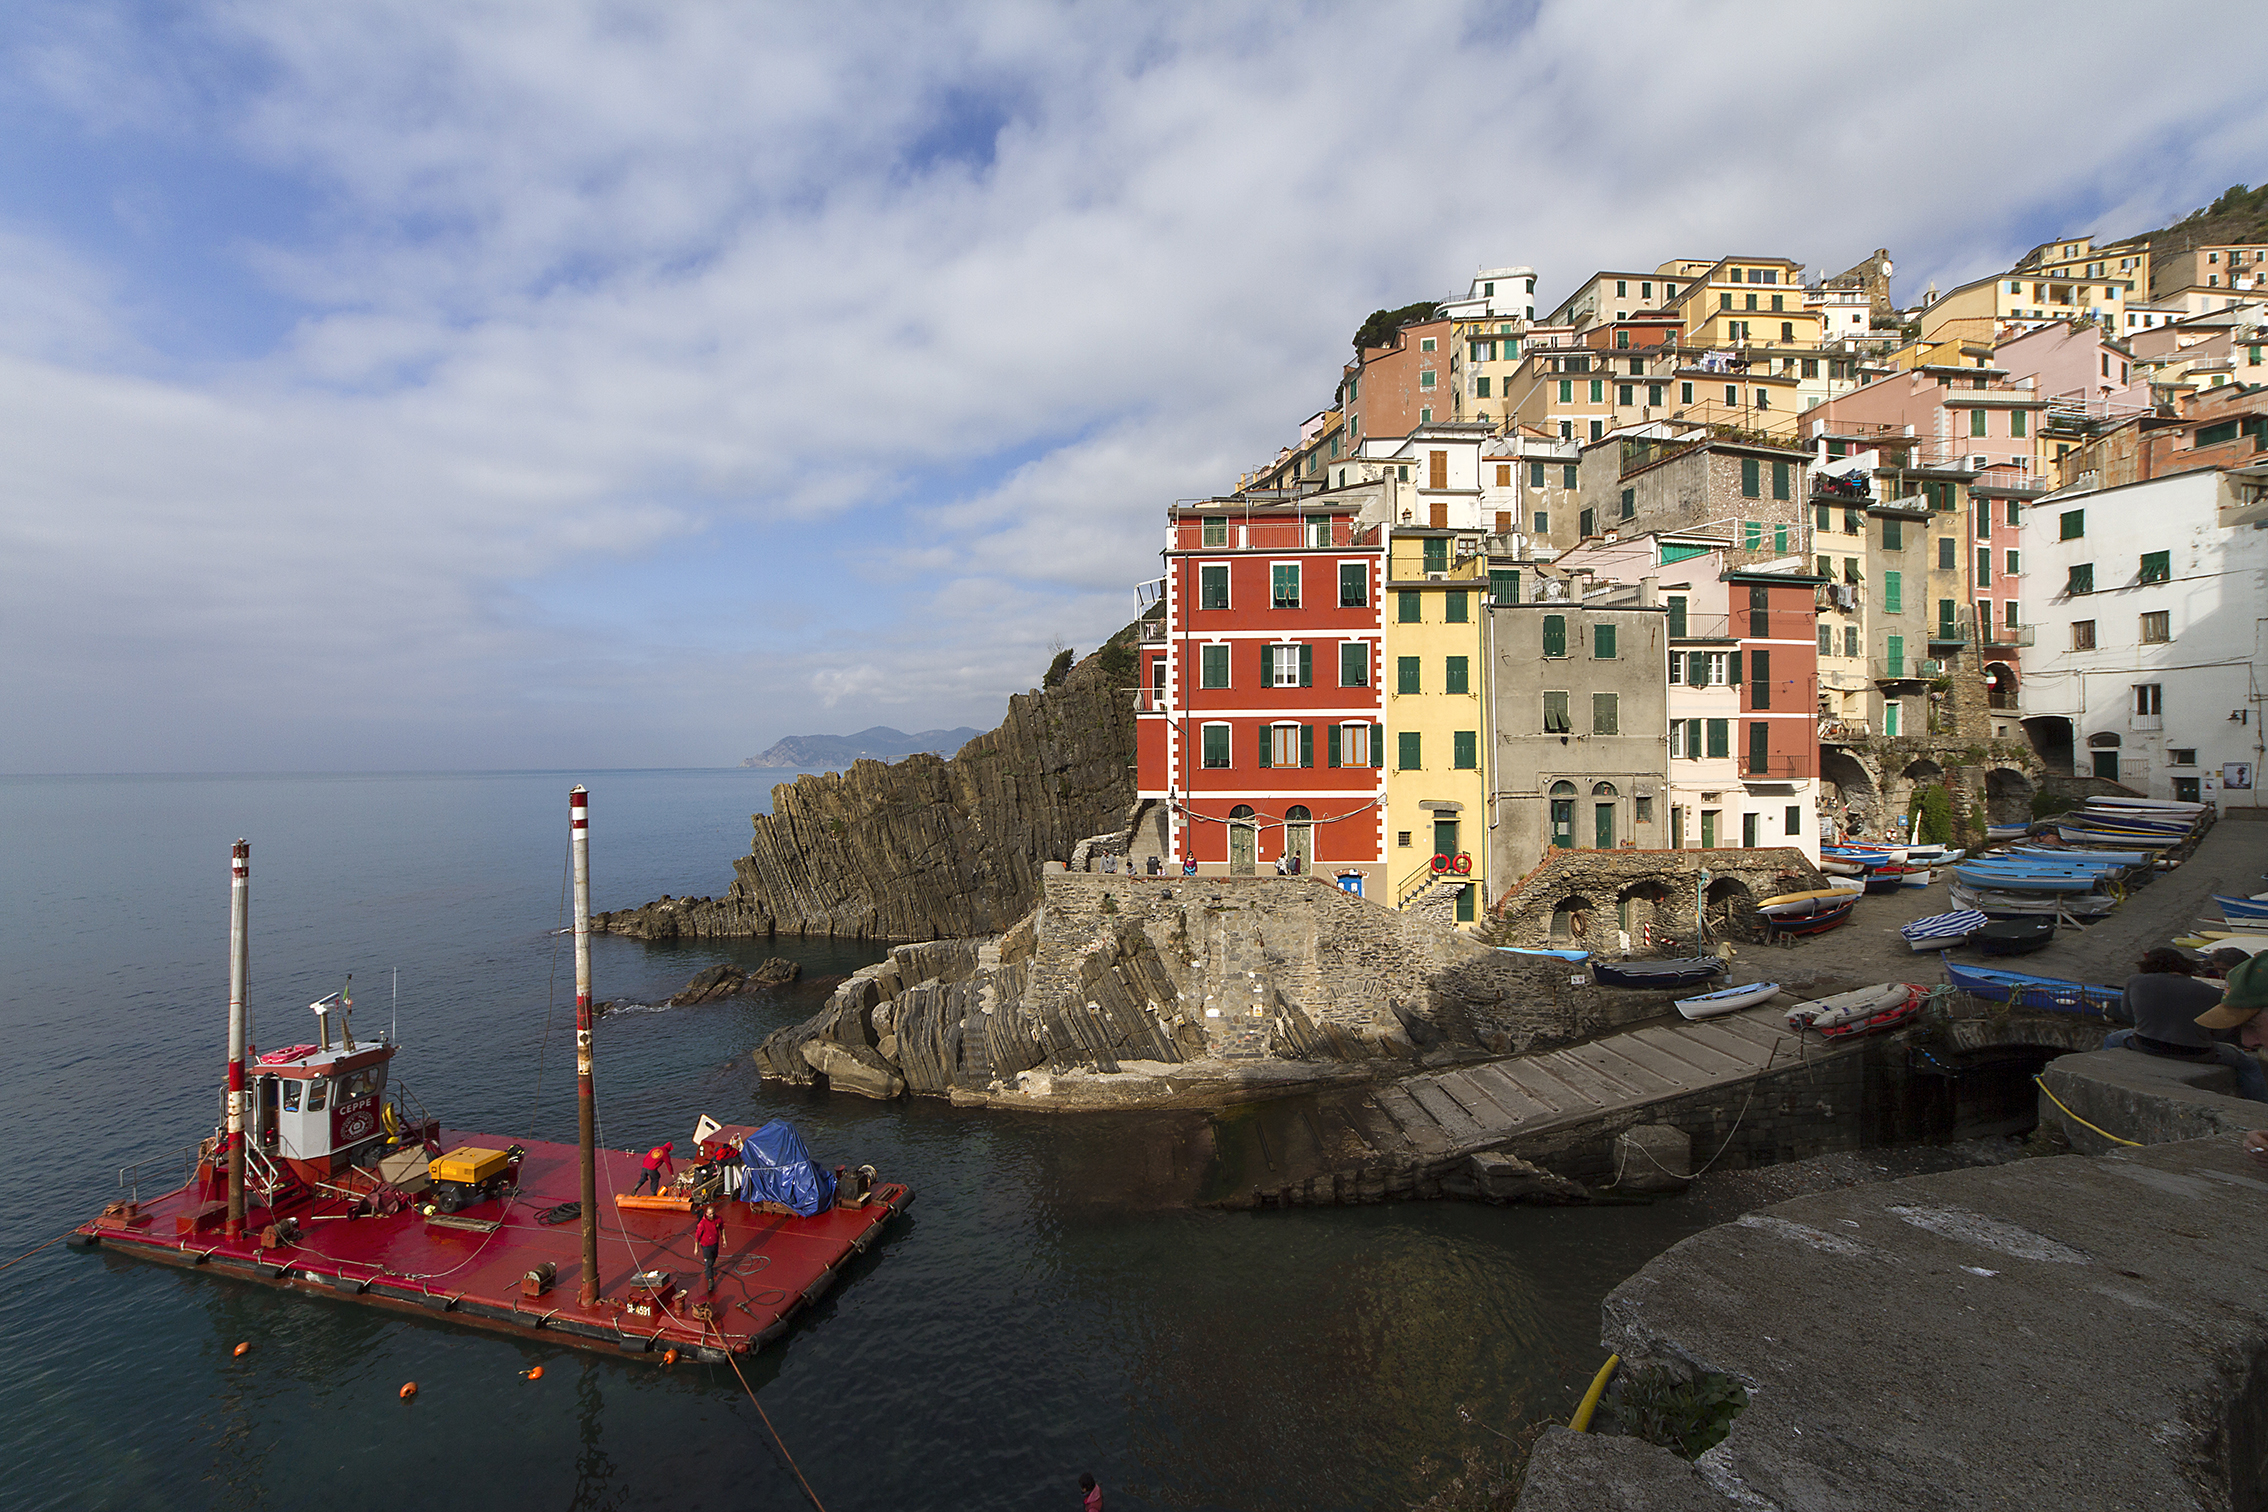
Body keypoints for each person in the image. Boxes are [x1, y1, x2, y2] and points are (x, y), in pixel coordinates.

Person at [2104, 949, 2268, 1101]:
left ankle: (2106, 1079)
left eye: (2253, 1025)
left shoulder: (2135, 981)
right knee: (2250, 1065)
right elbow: (2219, 1034)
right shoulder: (2210, 992)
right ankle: (2260, 1103)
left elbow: (2126, 1011)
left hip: (2144, 1043)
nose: (2248, 1041)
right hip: (2197, 1052)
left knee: (2111, 1039)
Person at [694, 1204, 723, 1291]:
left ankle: (709, 1271)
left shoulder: (718, 1219)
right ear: (706, 1214)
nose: (712, 1215)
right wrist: (696, 1248)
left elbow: (722, 1228)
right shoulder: (702, 1224)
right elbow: (697, 1236)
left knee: (714, 1258)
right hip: (706, 1246)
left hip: (715, 1243)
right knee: (709, 1262)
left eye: (713, 1213)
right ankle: (710, 1279)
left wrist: (724, 1239)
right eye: (710, 1214)